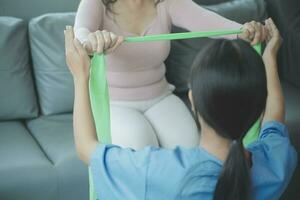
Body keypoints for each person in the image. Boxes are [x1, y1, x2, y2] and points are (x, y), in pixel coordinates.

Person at [64, 18, 297, 199]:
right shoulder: (276, 159)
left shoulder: (156, 170)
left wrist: (80, 76)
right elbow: (274, 121)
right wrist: (270, 57)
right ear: (259, 109)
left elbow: (86, 148)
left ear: (193, 100)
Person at [74, 0, 267, 150]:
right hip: (115, 104)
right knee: (141, 148)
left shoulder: (166, 2)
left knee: (190, 147)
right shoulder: (96, 3)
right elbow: (80, 33)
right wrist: (91, 41)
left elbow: (206, 20)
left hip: (160, 97)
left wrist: (242, 31)